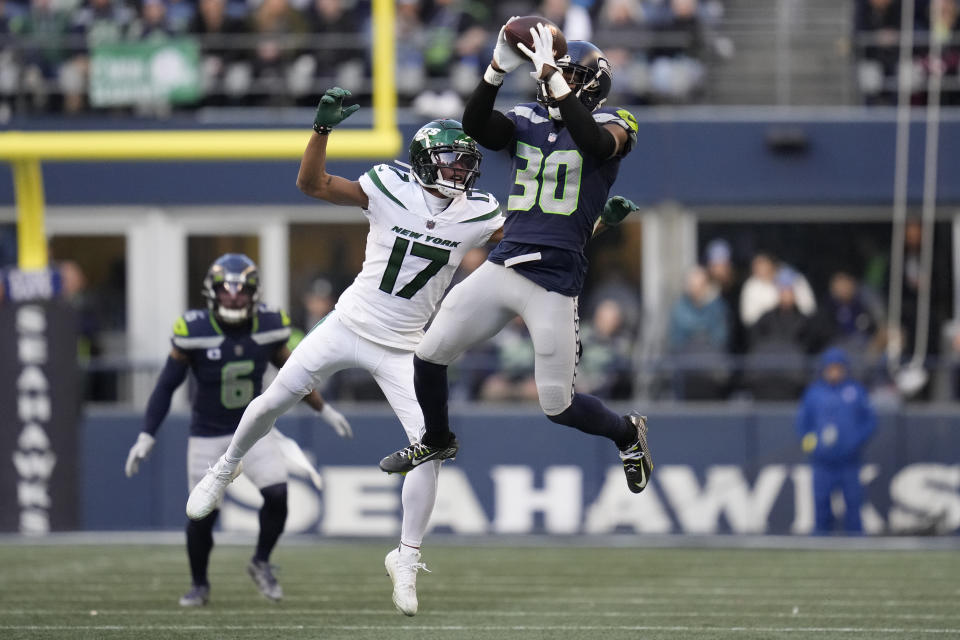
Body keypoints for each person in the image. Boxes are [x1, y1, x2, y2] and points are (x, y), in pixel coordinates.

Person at [185, 88, 505, 617]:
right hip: (348, 324)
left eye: (467, 163)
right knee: (270, 403)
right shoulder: (388, 185)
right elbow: (310, 185)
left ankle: (406, 556)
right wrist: (321, 131)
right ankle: (226, 467)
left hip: (406, 347)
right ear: (425, 161)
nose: (461, 172)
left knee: (430, 448)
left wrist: (592, 224)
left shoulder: (478, 212)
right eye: (452, 161)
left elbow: (527, 242)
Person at [377, 22, 653, 496]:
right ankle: (437, 438)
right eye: (552, 71)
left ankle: (627, 434)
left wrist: (560, 82)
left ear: (588, 84)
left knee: (557, 405)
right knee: (429, 354)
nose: (548, 79)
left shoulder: (616, 123)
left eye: (564, 73)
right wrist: (496, 68)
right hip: (505, 263)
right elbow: (476, 126)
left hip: (554, 282)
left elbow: (595, 144)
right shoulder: (527, 116)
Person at [124, 253, 352, 607]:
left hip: (253, 432)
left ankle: (260, 561)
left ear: (254, 294)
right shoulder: (194, 330)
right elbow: (167, 385)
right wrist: (147, 433)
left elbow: (295, 374)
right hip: (207, 434)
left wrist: (324, 410)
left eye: (242, 292)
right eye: (227, 292)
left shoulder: (269, 325)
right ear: (213, 293)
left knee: (277, 494)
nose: (234, 298)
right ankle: (199, 585)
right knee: (202, 515)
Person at [795, 347, 877, 534]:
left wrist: (855, 442)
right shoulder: (814, 393)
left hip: (849, 460)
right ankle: (820, 546)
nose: (834, 372)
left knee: (853, 503)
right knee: (821, 503)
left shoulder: (855, 391)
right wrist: (813, 445)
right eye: (830, 368)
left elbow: (870, 421)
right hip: (822, 461)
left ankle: (856, 546)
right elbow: (803, 424)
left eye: (837, 368)